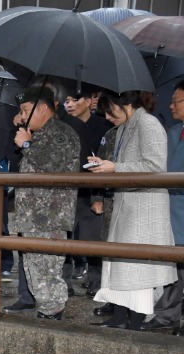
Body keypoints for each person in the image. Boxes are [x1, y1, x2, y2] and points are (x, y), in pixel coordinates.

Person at [86, 91, 178, 331]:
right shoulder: (127, 126)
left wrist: (115, 168)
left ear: (125, 103)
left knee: (137, 267)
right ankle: (120, 317)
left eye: (110, 110)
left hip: (144, 207)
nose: (107, 117)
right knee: (121, 263)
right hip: (127, 202)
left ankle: (134, 321)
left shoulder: (148, 123)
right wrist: (107, 166)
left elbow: (155, 167)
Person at [8, 86, 81, 320]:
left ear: (42, 109)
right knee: (34, 271)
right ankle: (45, 312)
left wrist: (27, 145)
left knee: (48, 272)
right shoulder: (36, 134)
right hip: (31, 219)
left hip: (49, 219)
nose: (22, 115)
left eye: (26, 110)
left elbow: (54, 165)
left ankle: (52, 315)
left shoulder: (62, 133)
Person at [141, 80, 184, 334]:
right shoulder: (172, 132)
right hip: (171, 208)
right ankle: (167, 315)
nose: (171, 106)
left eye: (176, 101)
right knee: (173, 265)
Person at [65, 84, 112, 296]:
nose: (70, 105)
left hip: (92, 189)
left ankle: (95, 282)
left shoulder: (103, 125)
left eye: (75, 100)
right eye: (66, 101)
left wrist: (99, 194)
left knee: (93, 239)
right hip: (67, 189)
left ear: (88, 101)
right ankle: (64, 282)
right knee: (64, 238)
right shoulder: (64, 125)